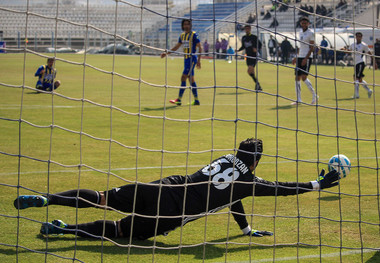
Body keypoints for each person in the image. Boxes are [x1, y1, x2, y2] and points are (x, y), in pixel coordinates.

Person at [13, 138, 340, 240]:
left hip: (164, 187)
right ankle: (64, 231)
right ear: (256, 162)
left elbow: (232, 199)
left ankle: (48, 200)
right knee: (121, 232)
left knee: (101, 198)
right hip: (173, 213)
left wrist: (246, 227)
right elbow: (283, 189)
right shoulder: (250, 182)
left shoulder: (225, 159)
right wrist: (318, 183)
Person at [161, 19, 202, 106]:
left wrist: (199, 61)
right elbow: (176, 46)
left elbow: (200, 47)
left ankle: (179, 99)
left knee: (183, 77)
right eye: (185, 24)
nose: (186, 26)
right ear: (182, 26)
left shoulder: (194, 35)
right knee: (191, 80)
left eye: (188, 24)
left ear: (190, 25)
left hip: (191, 59)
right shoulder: (182, 36)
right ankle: (196, 100)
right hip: (186, 60)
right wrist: (166, 53)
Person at [292, 17, 318, 105]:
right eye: (302, 23)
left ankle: (314, 95)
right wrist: (297, 57)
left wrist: (305, 59)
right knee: (297, 77)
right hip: (300, 57)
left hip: (307, 57)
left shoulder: (311, 33)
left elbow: (312, 47)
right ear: (300, 23)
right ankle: (298, 99)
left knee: (304, 77)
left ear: (308, 24)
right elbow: (301, 46)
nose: (304, 24)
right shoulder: (300, 32)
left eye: (305, 23)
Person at [343, 32, 377, 98]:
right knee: (360, 79)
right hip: (356, 63)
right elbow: (348, 51)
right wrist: (343, 50)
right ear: (355, 37)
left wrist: (374, 62)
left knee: (356, 78)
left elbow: (370, 53)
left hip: (361, 63)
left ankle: (357, 94)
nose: (358, 38)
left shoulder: (364, 45)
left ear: (361, 37)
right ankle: (369, 90)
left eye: (359, 36)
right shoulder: (353, 45)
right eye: (357, 36)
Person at [237, 25, 263, 91]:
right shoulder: (244, 38)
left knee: (250, 69)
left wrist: (256, 49)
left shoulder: (254, 37)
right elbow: (243, 46)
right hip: (248, 56)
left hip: (254, 56)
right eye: (246, 29)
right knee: (250, 72)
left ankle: (258, 85)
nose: (247, 30)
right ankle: (258, 85)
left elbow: (260, 44)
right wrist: (238, 50)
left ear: (250, 29)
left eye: (248, 29)